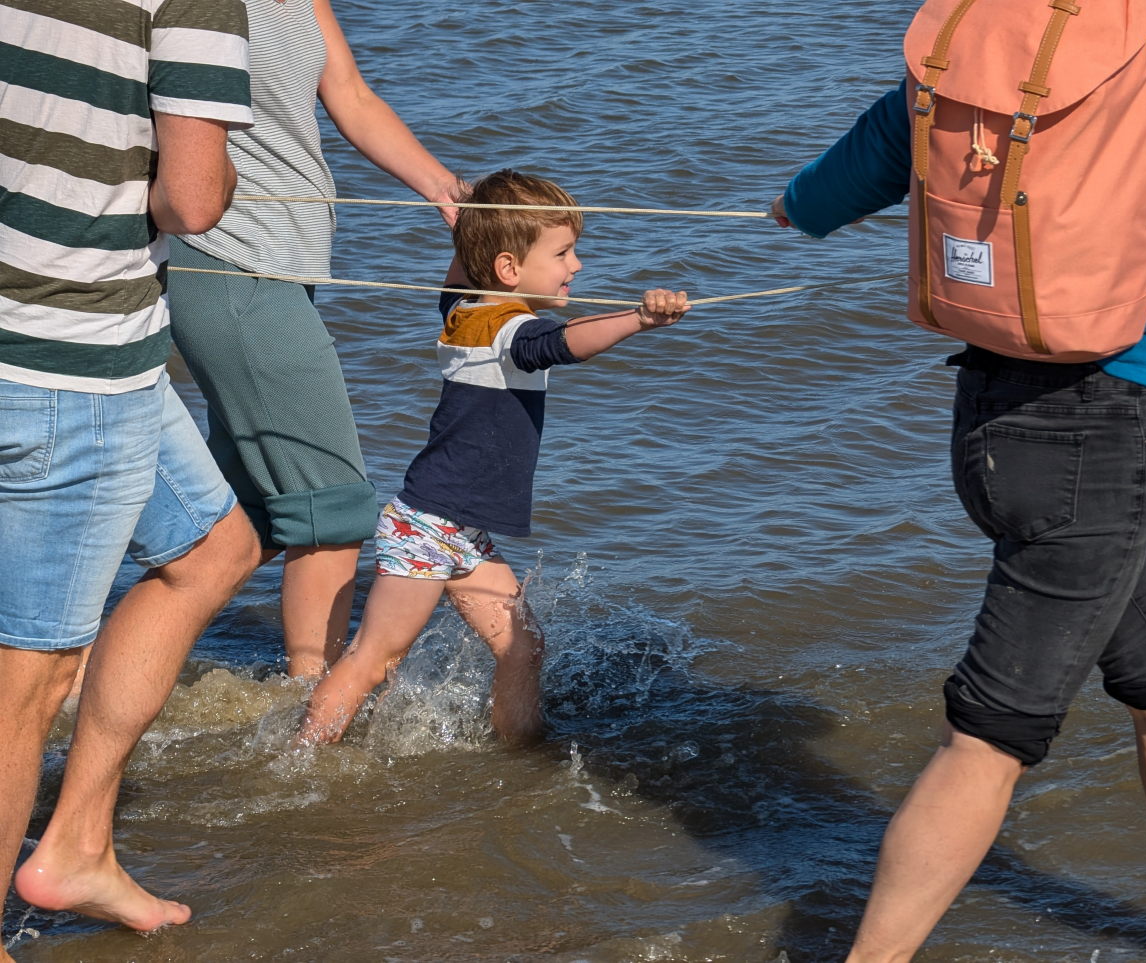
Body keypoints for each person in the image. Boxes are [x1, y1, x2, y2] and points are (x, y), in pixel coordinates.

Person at [770, 4, 1146, 961]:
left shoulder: (986, 31)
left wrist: (796, 205)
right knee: (991, 737)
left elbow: (882, 150)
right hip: (1106, 440)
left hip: (991, 418)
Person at [0, 0, 261, 949]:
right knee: (30, 675)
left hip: (85, 351)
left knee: (215, 548)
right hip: (73, 361)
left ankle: (76, 845)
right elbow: (191, 203)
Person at [295, 169, 689, 747]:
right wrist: (639, 319)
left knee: (523, 647)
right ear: (508, 269)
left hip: (460, 527)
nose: (575, 265)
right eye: (563, 253)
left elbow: (468, 270)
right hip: (429, 525)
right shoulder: (507, 329)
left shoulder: (465, 307)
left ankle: (523, 752)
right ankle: (300, 759)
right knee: (373, 658)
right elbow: (559, 343)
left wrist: (473, 215)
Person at [166, 0, 467, 680]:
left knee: (241, 522)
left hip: (286, 262)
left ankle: (79, 663)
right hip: (225, 258)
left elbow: (353, 96)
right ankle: (313, 709)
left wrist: (449, 191)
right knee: (331, 503)